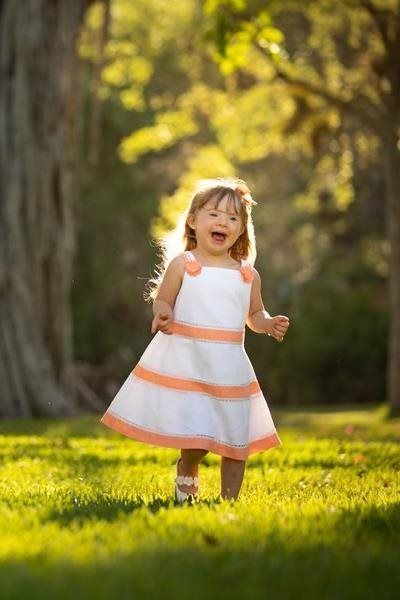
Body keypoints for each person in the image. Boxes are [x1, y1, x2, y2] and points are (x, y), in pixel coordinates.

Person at [100, 177, 290, 504]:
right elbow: (164, 299)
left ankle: (229, 503)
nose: (223, 222)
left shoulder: (247, 273)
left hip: (230, 366)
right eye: (214, 214)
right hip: (190, 362)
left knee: (236, 440)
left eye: (233, 218)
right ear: (193, 221)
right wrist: (162, 313)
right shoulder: (184, 266)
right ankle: (187, 477)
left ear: (242, 229)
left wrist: (268, 323)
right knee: (197, 439)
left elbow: (253, 315)